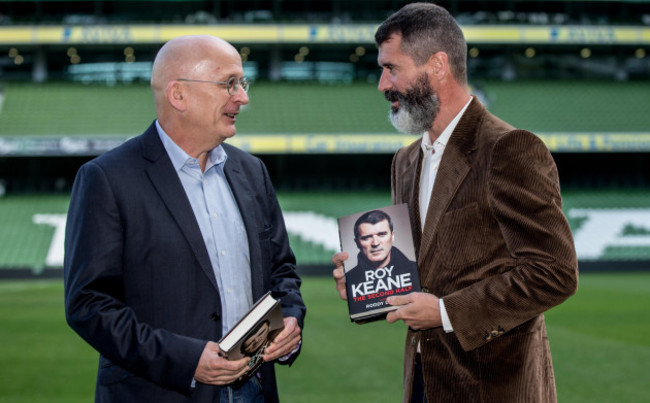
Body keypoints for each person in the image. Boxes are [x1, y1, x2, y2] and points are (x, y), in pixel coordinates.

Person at [332, 3, 578, 402]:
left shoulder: (509, 148)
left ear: (437, 65)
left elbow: (554, 272)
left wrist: (446, 312)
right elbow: (418, 274)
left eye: (391, 68)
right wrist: (367, 286)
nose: (381, 84)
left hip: (494, 387)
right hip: (425, 384)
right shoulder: (406, 160)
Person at [64, 35, 305, 403]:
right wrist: (186, 360)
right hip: (161, 392)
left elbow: (282, 271)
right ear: (178, 95)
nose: (242, 97)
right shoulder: (108, 179)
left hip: (256, 390)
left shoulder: (252, 171)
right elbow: (89, 305)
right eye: (229, 83)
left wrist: (290, 319)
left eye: (242, 83)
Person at [347, 209, 417, 279]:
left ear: (392, 236)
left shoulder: (416, 270)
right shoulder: (349, 278)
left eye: (382, 234)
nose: (375, 243)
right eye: (367, 237)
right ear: (357, 243)